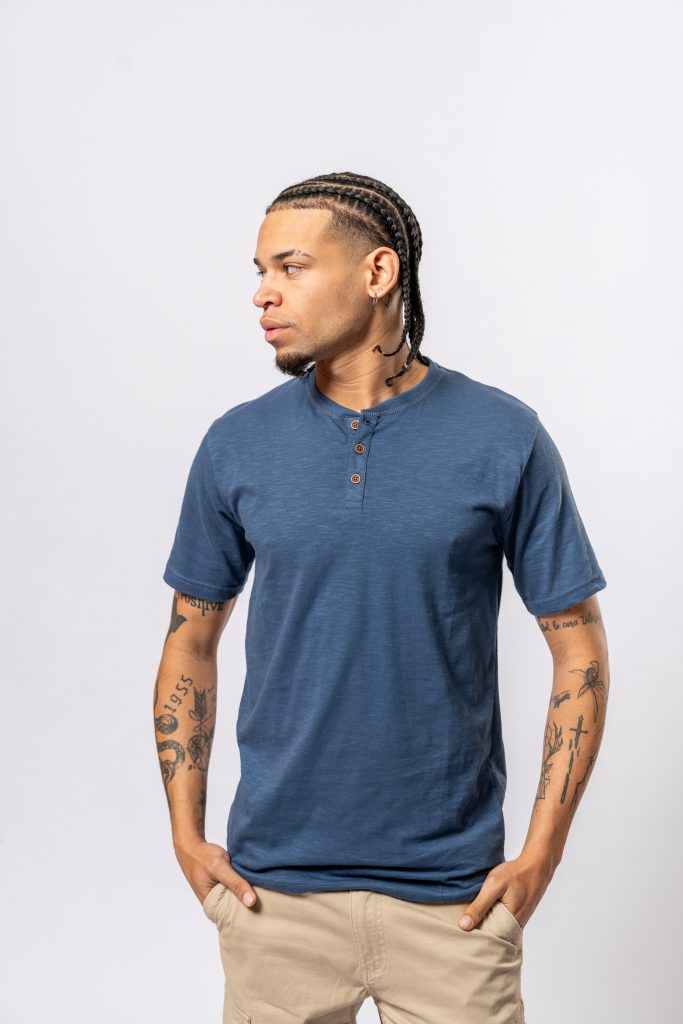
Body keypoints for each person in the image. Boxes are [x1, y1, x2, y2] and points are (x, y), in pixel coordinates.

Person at [154, 171, 609, 1024]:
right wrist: (186, 836)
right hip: (272, 900)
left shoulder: (502, 435)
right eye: (260, 271)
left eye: (291, 267)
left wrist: (541, 853)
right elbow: (189, 641)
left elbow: (577, 646)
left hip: (454, 903)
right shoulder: (237, 444)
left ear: (377, 273)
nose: (262, 293)